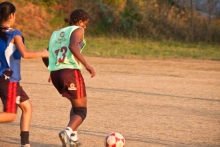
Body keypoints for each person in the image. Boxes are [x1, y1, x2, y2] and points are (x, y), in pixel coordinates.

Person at [42, 9, 96, 147]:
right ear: (79, 22)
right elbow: (73, 46)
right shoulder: (78, 29)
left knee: (75, 105)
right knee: (81, 111)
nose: (85, 27)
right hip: (70, 72)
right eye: (85, 23)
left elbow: (45, 54)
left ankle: (72, 138)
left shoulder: (56, 33)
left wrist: (52, 69)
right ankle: (67, 132)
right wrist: (87, 65)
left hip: (56, 74)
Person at [0, 2, 48, 147]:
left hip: (6, 79)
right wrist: (44, 53)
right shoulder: (15, 34)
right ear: (12, 15)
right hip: (9, 79)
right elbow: (25, 54)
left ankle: (25, 144)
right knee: (10, 115)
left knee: (27, 108)